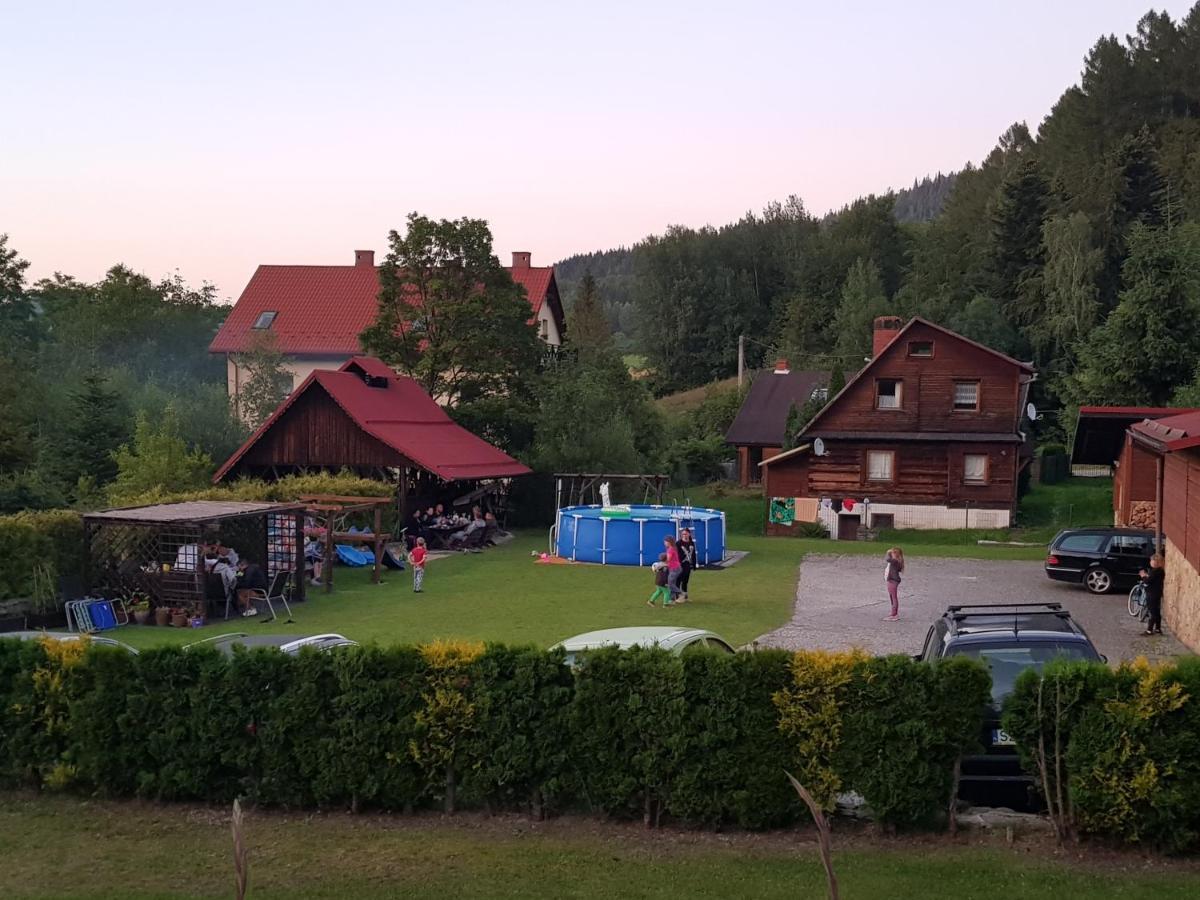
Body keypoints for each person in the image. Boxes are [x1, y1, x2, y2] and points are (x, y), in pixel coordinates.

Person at [1139, 553, 1165, 636]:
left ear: (1155, 562)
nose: (1150, 562)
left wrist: (1143, 576)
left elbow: (1147, 581)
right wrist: (1148, 576)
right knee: (1157, 611)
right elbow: (1152, 579)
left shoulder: (1154, 572)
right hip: (1157, 593)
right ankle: (1158, 628)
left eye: (1152, 560)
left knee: (1152, 612)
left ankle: (1149, 630)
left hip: (1152, 594)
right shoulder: (1161, 571)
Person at [884, 547, 904, 621]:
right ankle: (893, 612)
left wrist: (888, 552)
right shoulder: (896, 561)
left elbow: (887, 559)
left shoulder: (895, 561)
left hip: (893, 581)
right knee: (892, 597)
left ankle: (894, 614)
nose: (890, 554)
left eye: (892, 553)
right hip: (891, 580)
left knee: (893, 597)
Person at [677, 528, 697, 602]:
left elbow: (693, 554)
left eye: (685, 534)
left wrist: (694, 565)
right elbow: (676, 554)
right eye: (683, 534)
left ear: (689, 534)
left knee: (685, 581)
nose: (684, 535)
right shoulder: (678, 543)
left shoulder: (691, 543)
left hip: (687, 565)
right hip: (680, 565)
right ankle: (677, 597)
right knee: (678, 580)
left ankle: (685, 596)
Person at [664, 534, 683, 604]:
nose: (664, 543)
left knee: (670, 584)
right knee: (672, 583)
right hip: (676, 568)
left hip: (674, 568)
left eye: (665, 542)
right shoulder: (673, 548)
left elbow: (668, 560)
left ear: (669, 542)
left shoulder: (670, 549)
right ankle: (672, 600)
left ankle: (681, 594)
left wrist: (660, 564)